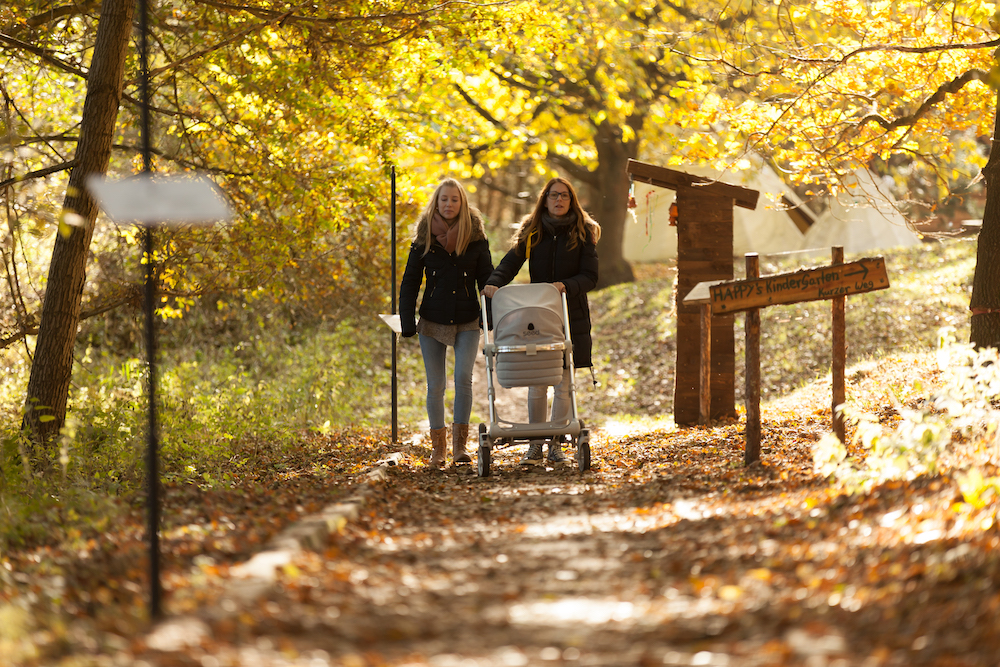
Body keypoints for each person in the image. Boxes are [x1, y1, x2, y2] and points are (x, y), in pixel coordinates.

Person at [482, 177, 600, 465]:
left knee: (562, 380)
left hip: (569, 313)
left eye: (564, 196)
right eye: (553, 195)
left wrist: (565, 285)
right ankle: (536, 444)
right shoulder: (533, 231)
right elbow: (510, 262)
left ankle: (556, 443)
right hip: (537, 316)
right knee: (538, 377)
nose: (558, 200)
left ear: (571, 200)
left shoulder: (583, 232)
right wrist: (493, 284)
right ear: (544, 199)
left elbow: (590, 276)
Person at [399, 178, 494, 467]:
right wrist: (406, 320)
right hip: (432, 320)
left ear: (462, 203)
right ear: (436, 202)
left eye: (454, 199)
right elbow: (410, 281)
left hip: (467, 319)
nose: (449, 204)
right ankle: (438, 450)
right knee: (435, 385)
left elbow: (488, 280)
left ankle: (459, 448)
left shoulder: (476, 238)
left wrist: (490, 316)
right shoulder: (423, 238)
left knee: (463, 379)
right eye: (444, 199)